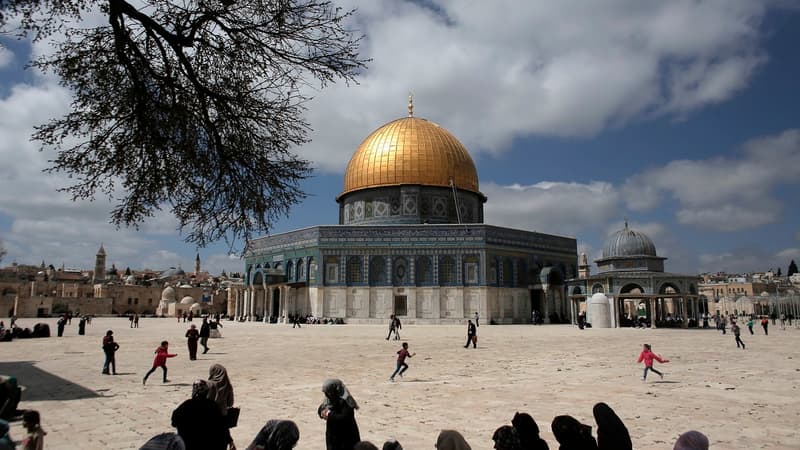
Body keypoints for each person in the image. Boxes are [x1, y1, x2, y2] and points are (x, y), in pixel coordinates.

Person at [171, 379, 232, 450]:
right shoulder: (212, 406)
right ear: (206, 391)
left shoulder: (185, 405)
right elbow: (222, 426)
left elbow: (174, 422)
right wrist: (230, 441)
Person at [318, 379, 360, 450]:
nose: (327, 395)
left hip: (346, 436)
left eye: (328, 392)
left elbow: (344, 417)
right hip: (332, 435)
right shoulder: (329, 397)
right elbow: (322, 407)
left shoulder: (346, 401)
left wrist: (329, 414)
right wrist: (322, 412)